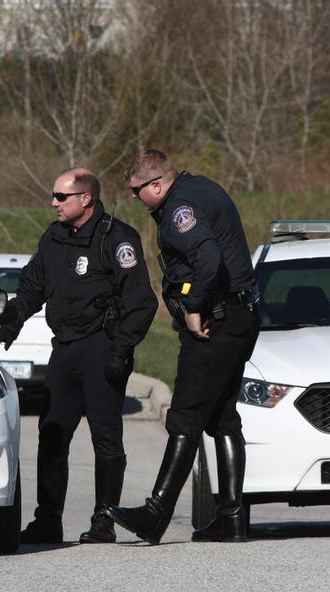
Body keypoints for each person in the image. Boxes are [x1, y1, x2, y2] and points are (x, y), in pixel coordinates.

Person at [0, 168, 157, 544]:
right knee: (51, 435)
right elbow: (32, 286)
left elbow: (141, 302)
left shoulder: (117, 238)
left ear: (86, 199)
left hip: (102, 349)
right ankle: (48, 519)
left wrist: (122, 349)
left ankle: (104, 520)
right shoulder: (54, 236)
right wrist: (12, 321)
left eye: (61, 197)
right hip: (64, 349)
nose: (53, 203)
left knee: (105, 439)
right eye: (53, 196)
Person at [108, 149, 260, 544]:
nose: (135, 199)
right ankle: (231, 518)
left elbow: (208, 259)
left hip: (215, 322)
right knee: (223, 418)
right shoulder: (202, 188)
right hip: (241, 317)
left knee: (186, 416)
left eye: (137, 191)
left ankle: (156, 513)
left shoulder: (180, 210)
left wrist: (194, 308)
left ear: (156, 184)